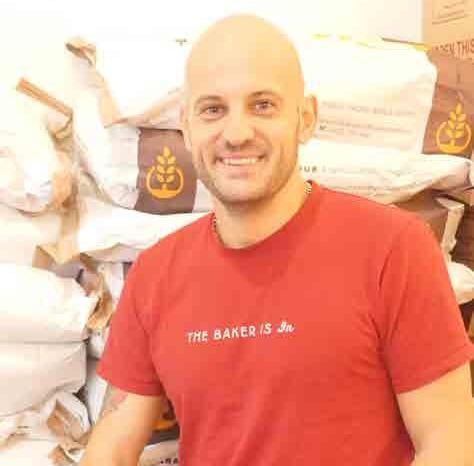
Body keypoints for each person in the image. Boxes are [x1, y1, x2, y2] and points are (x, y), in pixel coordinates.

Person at [80, 14, 474, 466]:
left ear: (306, 119)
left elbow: (449, 441)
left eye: (263, 105)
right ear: (186, 127)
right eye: (213, 109)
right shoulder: (155, 274)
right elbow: (111, 447)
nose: (236, 134)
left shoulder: (393, 248)